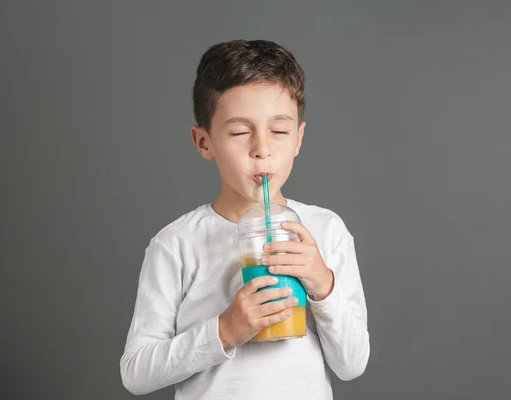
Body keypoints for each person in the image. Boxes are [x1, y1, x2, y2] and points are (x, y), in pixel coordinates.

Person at [120, 39, 370, 399]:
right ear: (203, 142)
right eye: (239, 132)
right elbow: (135, 372)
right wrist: (224, 331)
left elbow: (352, 364)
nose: (262, 149)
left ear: (299, 138)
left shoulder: (326, 231)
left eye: (280, 131)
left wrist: (323, 284)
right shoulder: (177, 244)